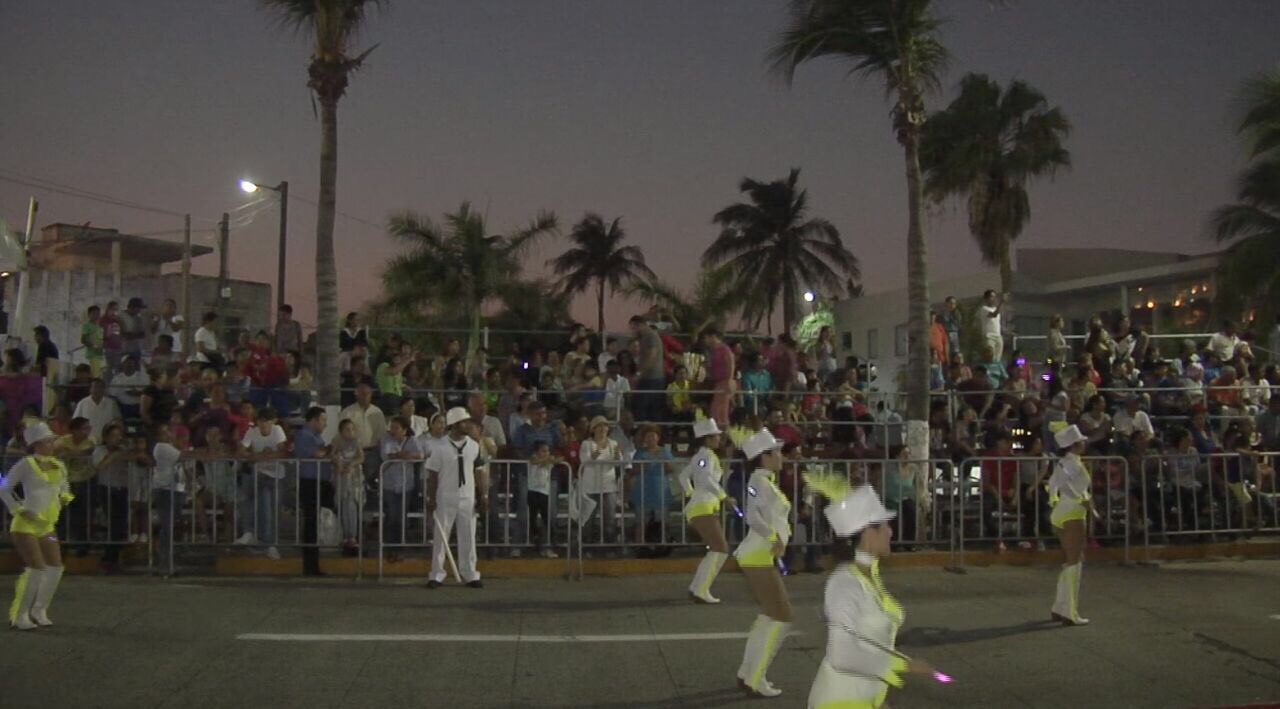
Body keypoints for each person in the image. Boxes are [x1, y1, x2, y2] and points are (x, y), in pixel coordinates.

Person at [805, 474, 938, 709]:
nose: (891, 532)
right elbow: (842, 655)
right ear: (867, 533)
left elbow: (870, 642)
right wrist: (904, 665)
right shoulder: (844, 584)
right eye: (885, 525)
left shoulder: (869, 575)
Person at [734, 429, 793, 698]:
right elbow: (752, 517)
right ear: (764, 457)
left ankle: (749, 672)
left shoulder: (763, 480)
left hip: (760, 554)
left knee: (771, 615)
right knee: (782, 616)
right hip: (759, 553)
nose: (781, 456)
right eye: (777, 452)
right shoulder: (759, 481)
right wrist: (774, 538)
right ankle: (755, 677)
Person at [2, 423, 72, 629]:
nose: (52, 444)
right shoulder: (26, 464)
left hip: (47, 526)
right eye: (48, 440)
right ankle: (20, 614)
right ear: (36, 444)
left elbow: (64, 486)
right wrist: (18, 508)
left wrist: (65, 497)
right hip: (26, 525)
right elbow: (4, 488)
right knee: (36, 568)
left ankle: (39, 609)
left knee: (55, 566)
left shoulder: (59, 465)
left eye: (52, 440)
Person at [425, 407, 486, 589]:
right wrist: (431, 497)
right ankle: (436, 574)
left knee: (468, 535)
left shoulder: (474, 446)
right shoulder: (440, 447)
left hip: (467, 496)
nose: (467, 425)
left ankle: (470, 573)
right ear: (454, 425)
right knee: (441, 536)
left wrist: (483, 494)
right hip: (445, 496)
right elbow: (433, 474)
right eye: (464, 422)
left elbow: (479, 471)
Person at [680, 418, 733, 603]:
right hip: (703, 506)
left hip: (701, 505)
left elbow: (683, 476)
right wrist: (723, 497)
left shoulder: (700, 456)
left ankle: (698, 588)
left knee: (717, 549)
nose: (719, 439)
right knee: (721, 548)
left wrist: (690, 493)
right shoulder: (707, 456)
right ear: (707, 439)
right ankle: (700, 589)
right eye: (716, 436)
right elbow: (705, 479)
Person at [1048, 425, 1097, 626]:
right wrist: (1082, 501)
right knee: (1074, 561)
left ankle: (1060, 607)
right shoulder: (1073, 464)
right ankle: (1069, 610)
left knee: (1072, 560)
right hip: (1072, 511)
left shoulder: (1063, 463)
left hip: (1061, 510)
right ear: (1074, 445)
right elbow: (1070, 487)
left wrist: (1056, 501)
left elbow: (1052, 485)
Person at [239, 407, 288, 560]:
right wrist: (260, 455)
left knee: (270, 510)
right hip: (259, 473)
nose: (263, 424)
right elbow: (241, 451)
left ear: (272, 422)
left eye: (266, 421)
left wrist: (266, 455)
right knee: (248, 499)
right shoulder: (252, 432)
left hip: (276, 475)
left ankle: (270, 543)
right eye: (261, 421)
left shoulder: (277, 430)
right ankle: (249, 532)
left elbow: (283, 451)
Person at [150, 421, 194, 576]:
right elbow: (184, 456)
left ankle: (168, 562)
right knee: (167, 527)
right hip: (165, 490)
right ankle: (164, 564)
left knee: (171, 527)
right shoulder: (162, 447)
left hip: (177, 490)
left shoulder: (174, 448)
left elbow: (185, 469)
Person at [294, 407, 334, 576]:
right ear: (315, 420)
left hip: (320, 481)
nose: (325, 424)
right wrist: (331, 449)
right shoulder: (304, 435)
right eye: (323, 420)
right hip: (310, 482)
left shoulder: (316, 437)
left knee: (316, 521)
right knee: (311, 522)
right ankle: (310, 565)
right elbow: (316, 454)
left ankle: (314, 563)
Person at [378, 415, 423, 561]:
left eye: (396, 427)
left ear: (404, 430)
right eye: (392, 427)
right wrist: (400, 455)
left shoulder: (412, 440)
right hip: (389, 484)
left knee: (400, 517)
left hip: (405, 484)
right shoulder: (386, 438)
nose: (393, 430)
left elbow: (420, 455)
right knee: (391, 516)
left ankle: (399, 548)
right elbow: (386, 456)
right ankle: (389, 547)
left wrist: (407, 454)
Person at [577, 416, 623, 548]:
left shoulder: (613, 444)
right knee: (588, 519)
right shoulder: (586, 444)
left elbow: (619, 461)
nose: (603, 429)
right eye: (599, 426)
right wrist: (593, 457)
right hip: (590, 486)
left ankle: (609, 547)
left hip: (608, 485)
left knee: (609, 519)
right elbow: (584, 461)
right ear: (593, 429)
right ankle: (586, 547)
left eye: (605, 426)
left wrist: (617, 457)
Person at [629, 424, 674, 549]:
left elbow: (671, 469)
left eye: (653, 436)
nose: (651, 439)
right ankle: (640, 547)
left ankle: (664, 545)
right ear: (644, 439)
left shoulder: (665, 452)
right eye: (648, 436)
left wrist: (665, 465)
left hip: (661, 491)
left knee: (664, 521)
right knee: (641, 522)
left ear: (658, 438)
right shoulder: (639, 453)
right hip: (643, 491)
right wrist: (643, 467)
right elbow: (633, 470)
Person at [332, 419, 366, 556]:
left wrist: (352, 464)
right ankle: (345, 535)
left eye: (352, 429)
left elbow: (361, 457)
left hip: (354, 479)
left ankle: (353, 535)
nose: (350, 432)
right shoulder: (337, 441)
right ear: (341, 431)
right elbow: (333, 455)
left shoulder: (357, 442)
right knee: (343, 505)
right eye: (347, 429)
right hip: (341, 478)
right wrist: (338, 464)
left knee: (352, 505)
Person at [526, 441, 560, 558]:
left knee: (547, 520)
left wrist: (550, 460)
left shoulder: (549, 462)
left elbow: (554, 460)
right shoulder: (534, 458)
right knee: (533, 519)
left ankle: (548, 546)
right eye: (543, 451)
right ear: (537, 452)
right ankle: (535, 541)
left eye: (547, 451)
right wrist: (547, 460)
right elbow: (534, 461)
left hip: (544, 493)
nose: (546, 453)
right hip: (533, 492)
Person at [631, 315, 667, 424]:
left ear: (640, 325)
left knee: (644, 408)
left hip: (652, 378)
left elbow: (651, 356)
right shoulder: (645, 338)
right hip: (649, 377)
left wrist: (639, 373)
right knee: (646, 408)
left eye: (634, 327)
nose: (634, 331)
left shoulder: (651, 337)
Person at [81, 304, 106, 377]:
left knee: (100, 374)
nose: (96, 316)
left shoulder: (100, 326)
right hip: (93, 354)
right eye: (94, 313)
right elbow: (83, 339)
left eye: (98, 314)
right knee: (95, 375)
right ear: (89, 315)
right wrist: (94, 346)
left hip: (100, 354)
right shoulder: (87, 325)